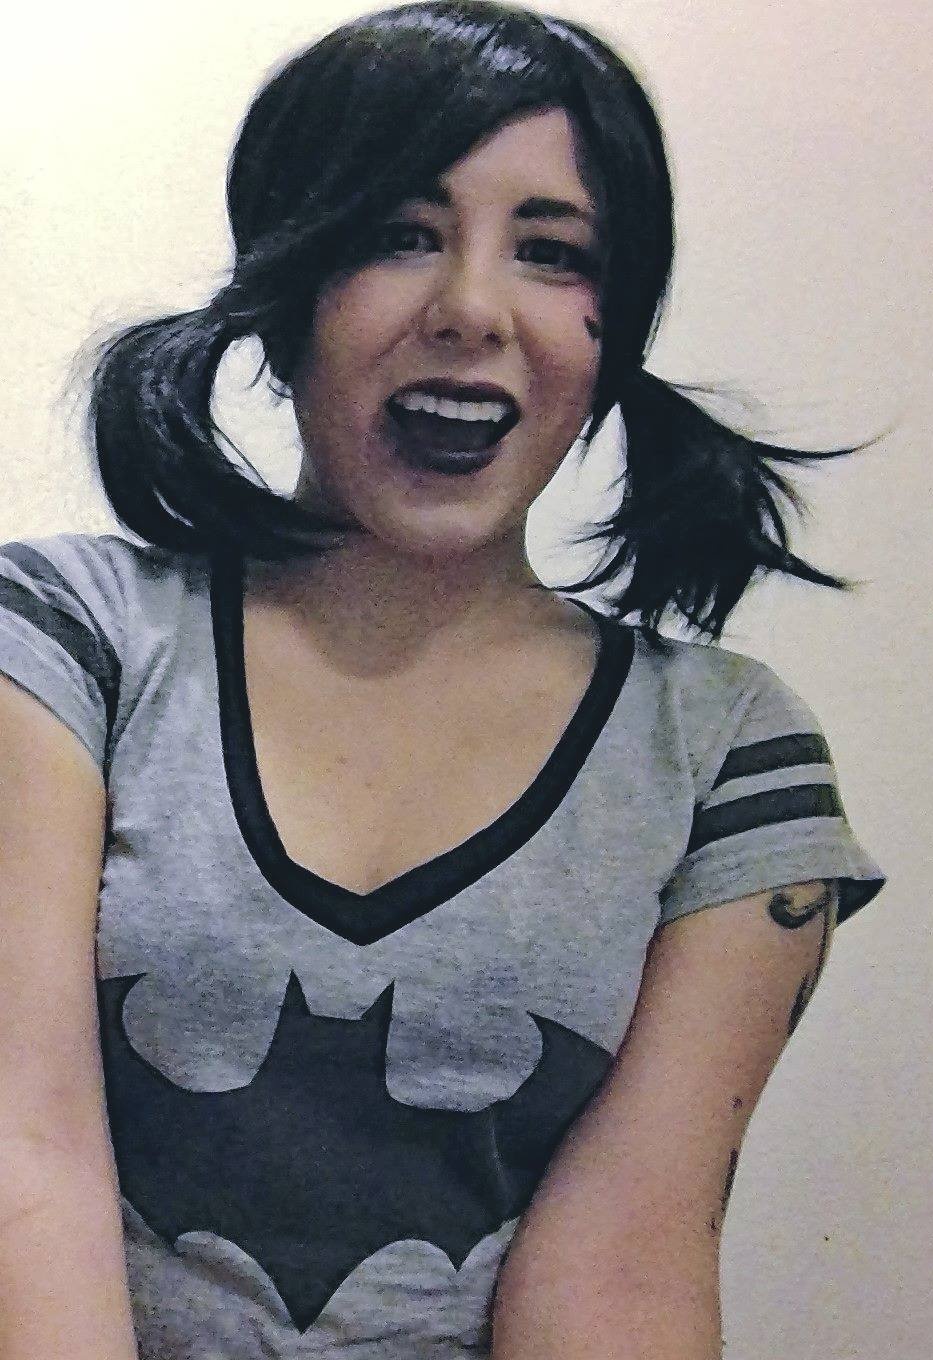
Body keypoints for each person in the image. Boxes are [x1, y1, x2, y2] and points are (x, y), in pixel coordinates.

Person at [0, 3, 887, 1357]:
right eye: (397, 234)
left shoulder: (726, 755)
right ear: (286, 290)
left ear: (612, 333)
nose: (471, 309)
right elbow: (23, 1149)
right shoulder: (68, 638)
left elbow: (628, 1267)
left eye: (551, 252)